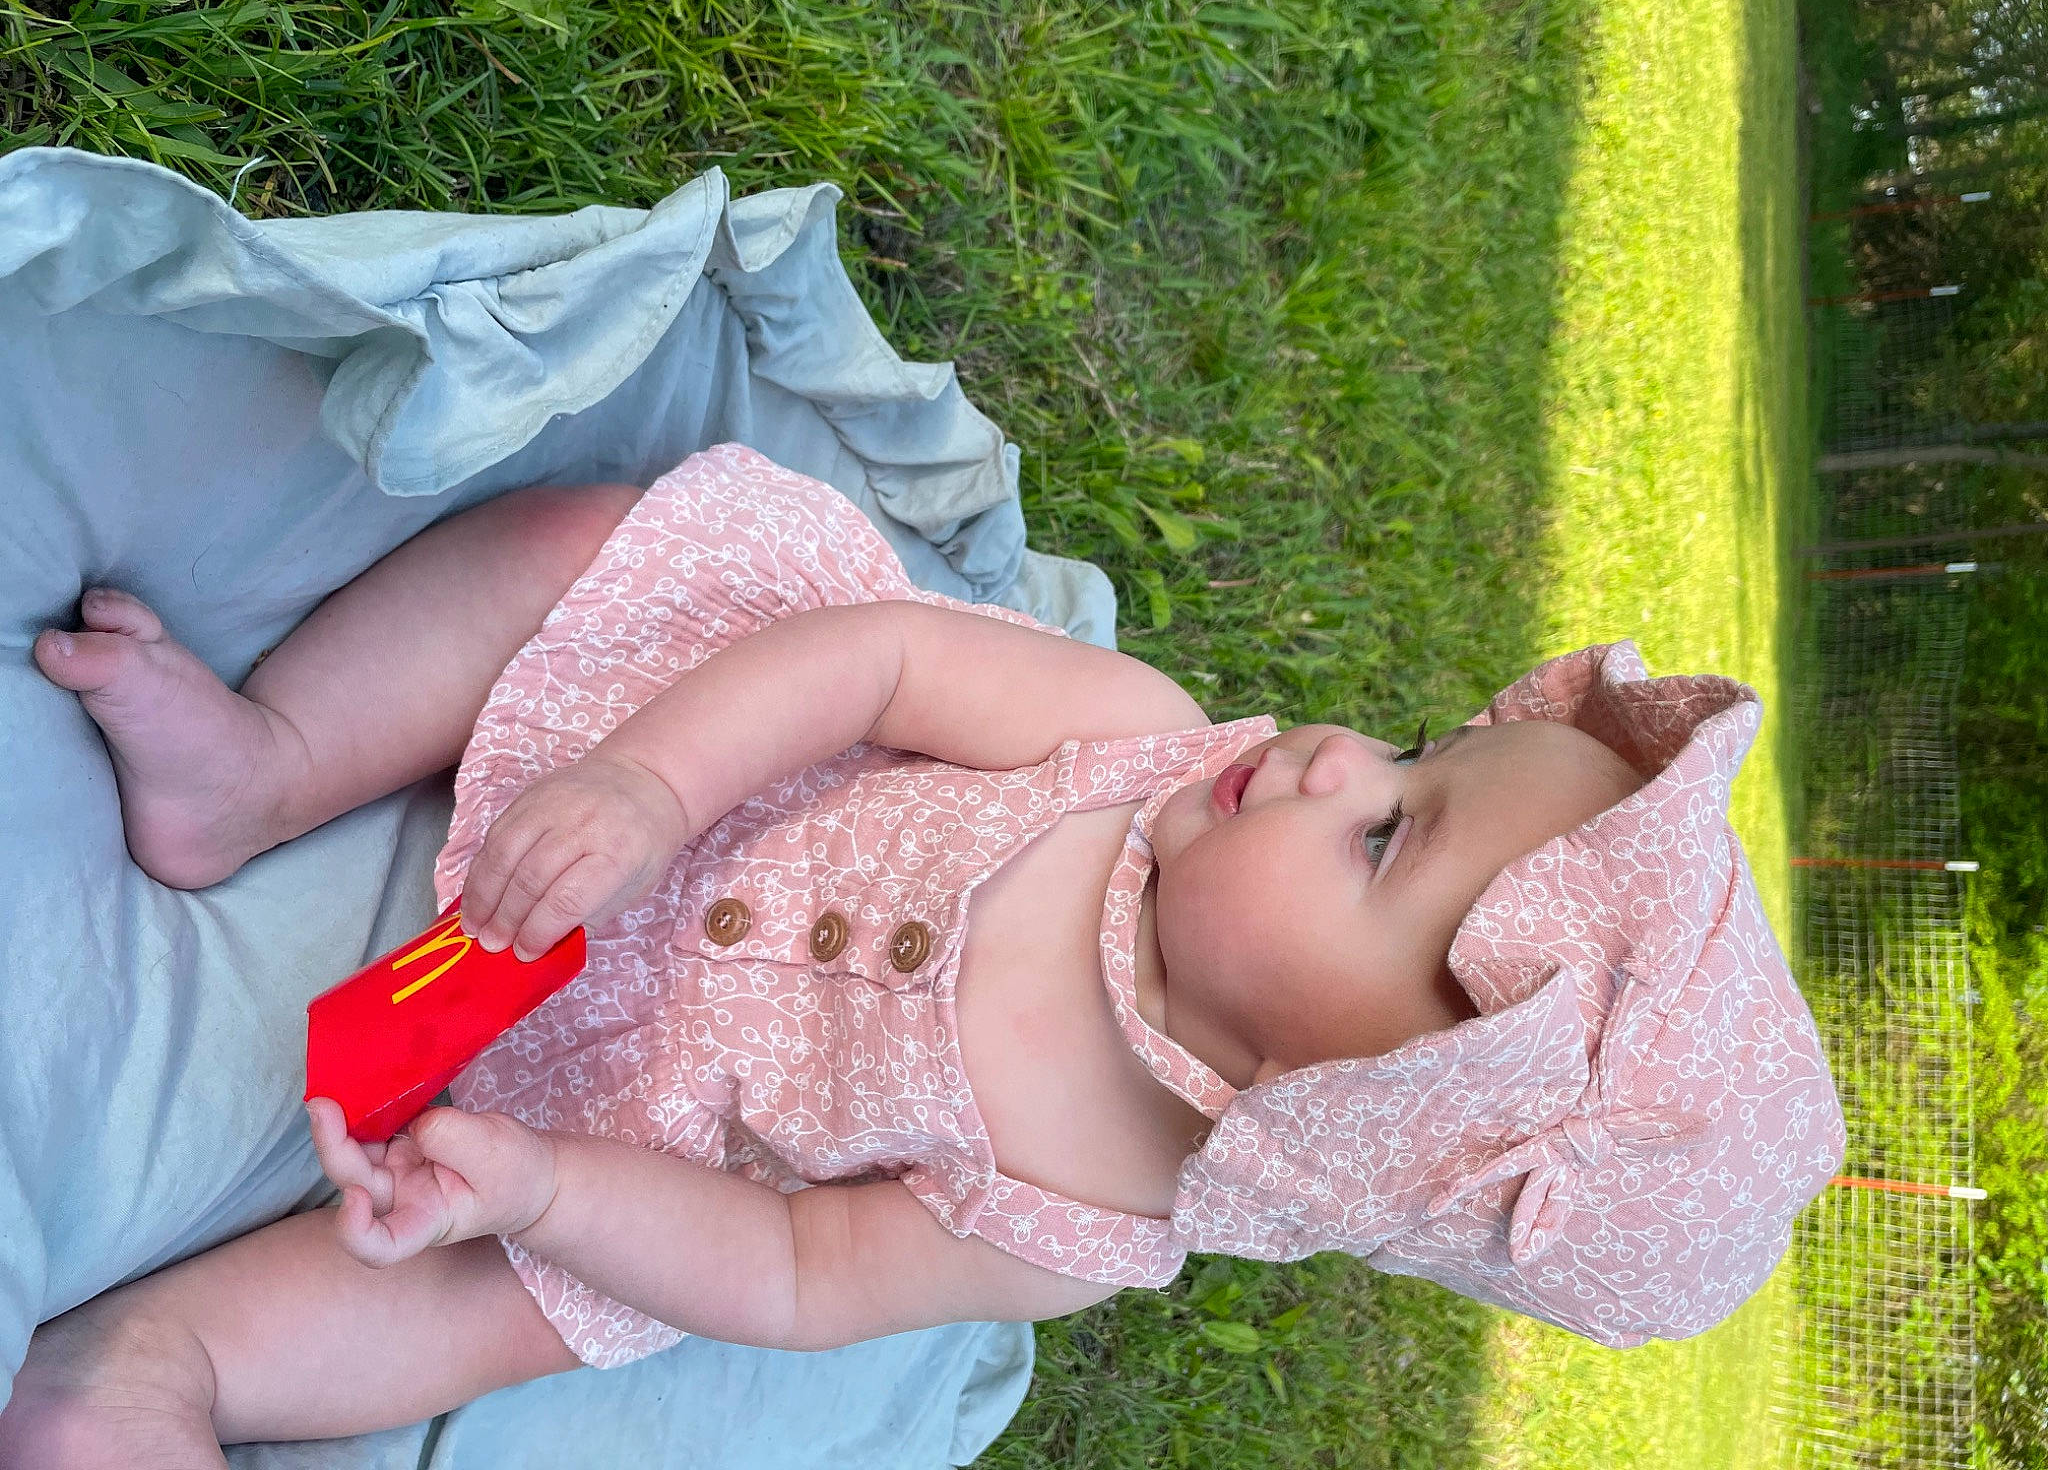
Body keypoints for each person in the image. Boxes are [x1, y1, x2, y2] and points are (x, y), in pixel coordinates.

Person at [1, 443, 1846, 1465]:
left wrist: (550, 1190)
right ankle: (264, 775)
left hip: (644, 1122)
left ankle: (149, 1377)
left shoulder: (1078, 1224)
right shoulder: (1136, 743)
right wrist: (646, 779)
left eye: (1383, 832)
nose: (1337, 752)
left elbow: (799, 1269)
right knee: (588, 545)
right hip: (688, 766)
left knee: (518, 1314)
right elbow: (870, 662)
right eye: (1420, 748)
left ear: (1346, 1102)